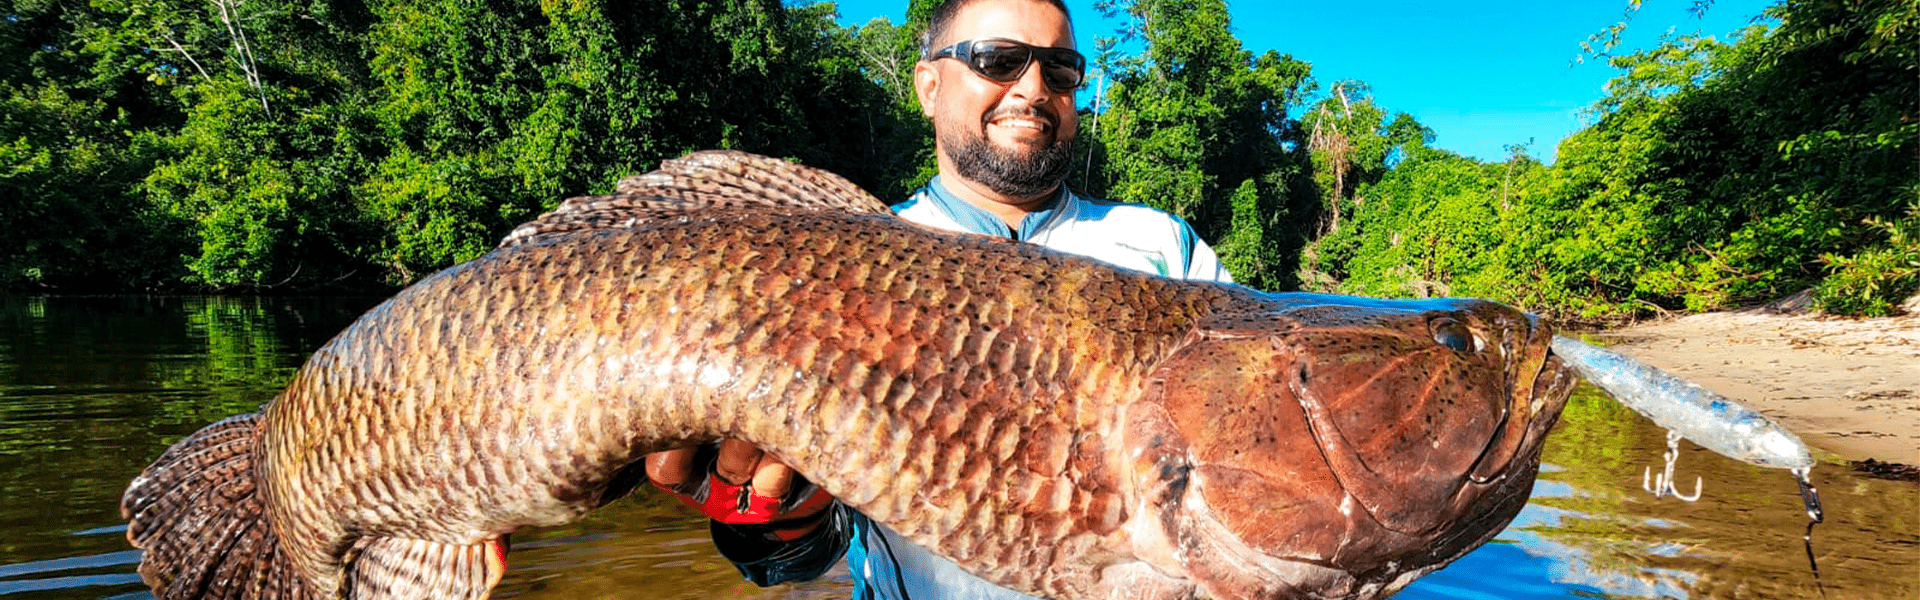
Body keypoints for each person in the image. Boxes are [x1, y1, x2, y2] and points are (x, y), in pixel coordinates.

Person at [643, 0, 1231, 597]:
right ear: (928, 86)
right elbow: (790, 565)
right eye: (998, 60)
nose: (1032, 88)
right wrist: (777, 521)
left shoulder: (1168, 251)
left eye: (1059, 70)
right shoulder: (834, 261)